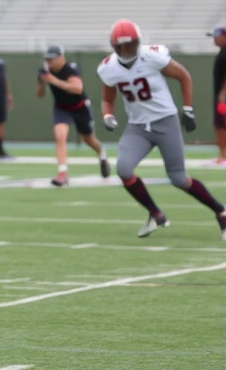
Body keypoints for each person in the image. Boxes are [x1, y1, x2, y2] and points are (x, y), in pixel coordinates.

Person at [97, 19, 226, 239]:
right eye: (122, 46)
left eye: (131, 44)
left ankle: (221, 212)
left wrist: (188, 110)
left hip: (165, 121)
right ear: (114, 46)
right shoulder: (108, 67)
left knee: (178, 178)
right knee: (124, 169)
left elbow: (184, 76)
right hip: (138, 127)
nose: (127, 50)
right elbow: (107, 98)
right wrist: (107, 115)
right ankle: (155, 212)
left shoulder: (152, 56)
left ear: (138, 42)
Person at [35, 44, 110, 186]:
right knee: (59, 136)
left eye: (52, 59)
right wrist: (41, 83)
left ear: (61, 58)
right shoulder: (45, 71)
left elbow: (77, 88)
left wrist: (53, 80)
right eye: (47, 59)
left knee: (89, 139)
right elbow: (40, 95)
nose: (49, 62)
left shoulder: (70, 68)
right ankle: (62, 173)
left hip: (79, 107)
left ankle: (102, 154)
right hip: (61, 107)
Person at [209, 26, 226, 164]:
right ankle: (222, 155)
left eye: (216, 36)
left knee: (222, 124)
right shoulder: (222, 52)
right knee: (219, 124)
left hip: (223, 98)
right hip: (220, 96)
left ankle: (222, 155)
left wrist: (223, 94)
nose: (214, 39)